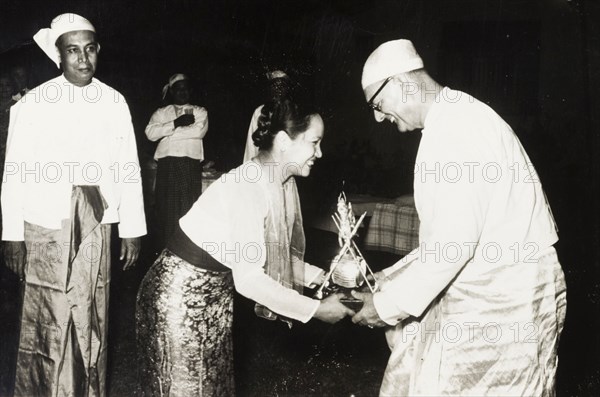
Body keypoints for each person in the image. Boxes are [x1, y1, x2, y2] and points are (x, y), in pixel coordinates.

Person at [351, 39, 566, 396]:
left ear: (403, 82)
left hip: (507, 297)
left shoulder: (457, 131)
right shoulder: (453, 118)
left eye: (377, 103)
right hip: (495, 285)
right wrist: (388, 279)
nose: (377, 117)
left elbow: (454, 245)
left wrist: (387, 307)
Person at [136, 97, 354, 396]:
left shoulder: (280, 183)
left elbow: (273, 255)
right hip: (179, 297)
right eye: (314, 142)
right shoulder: (248, 186)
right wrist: (315, 309)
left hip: (214, 298)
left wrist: (325, 279)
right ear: (282, 141)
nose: (319, 152)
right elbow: (250, 278)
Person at [1, 13, 146, 396]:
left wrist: (131, 229)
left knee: (91, 312)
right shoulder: (32, 104)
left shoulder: (114, 102)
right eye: (73, 51)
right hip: (45, 222)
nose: (83, 59)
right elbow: (13, 172)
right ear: (59, 55)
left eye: (90, 49)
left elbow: (128, 167)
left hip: (97, 222)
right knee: (48, 313)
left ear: (98, 51)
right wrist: (12, 236)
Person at [145, 73, 208, 247]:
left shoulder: (200, 111)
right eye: (179, 89)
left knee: (188, 210)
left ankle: (186, 254)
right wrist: (175, 123)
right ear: (172, 91)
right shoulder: (161, 113)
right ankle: (166, 252)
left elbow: (198, 132)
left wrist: (167, 134)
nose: (183, 92)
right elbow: (150, 134)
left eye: (186, 89)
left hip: (189, 165)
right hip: (167, 166)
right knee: (166, 212)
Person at [243, 70, 292, 162]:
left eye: (282, 86)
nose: (278, 90)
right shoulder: (259, 112)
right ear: (269, 89)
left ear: (287, 89)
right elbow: (251, 147)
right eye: (274, 86)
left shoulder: (293, 112)